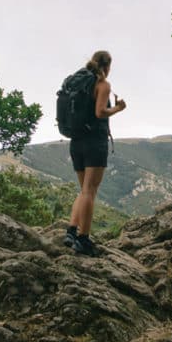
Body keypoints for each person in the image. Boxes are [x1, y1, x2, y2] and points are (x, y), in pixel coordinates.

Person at [64, 50, 126, 256]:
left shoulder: (78, 81)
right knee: (90, 191)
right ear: (107, 66)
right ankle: (84, 239)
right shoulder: (102, 85)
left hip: (76, 141)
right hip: (94, 143)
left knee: (84, 190)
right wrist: (118, 109)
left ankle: (71, 232)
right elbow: (100, 112)